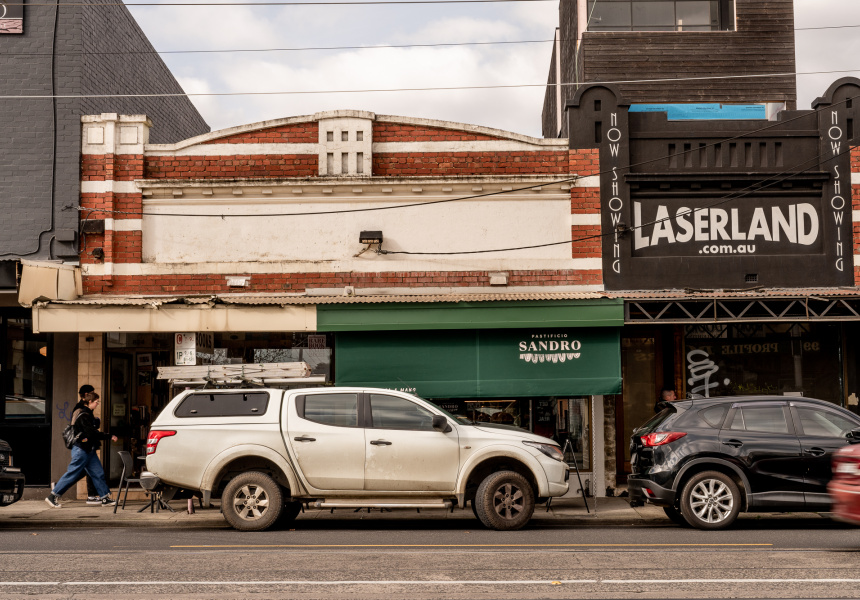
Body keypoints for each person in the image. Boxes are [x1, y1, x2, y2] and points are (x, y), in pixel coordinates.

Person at [45, 387, 118, 508]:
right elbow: (91, 433)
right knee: (73, 473)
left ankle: (105, 497)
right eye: (96, 402)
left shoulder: (88, 414)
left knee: (98, 472)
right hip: (81, 449)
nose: (97, 404)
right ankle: (53, 496)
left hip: (89, 449)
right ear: (90, 402)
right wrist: (109, 436)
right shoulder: (83, 415)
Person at [75, 385, 103, 506]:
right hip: (84, 445)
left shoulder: (86, 409)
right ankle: (57, 489)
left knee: (85, 471)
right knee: (87, 470)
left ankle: (93, 495)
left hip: (87, 445)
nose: (97, 403)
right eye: (92, 393)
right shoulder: (81, 409)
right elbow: (85, 428)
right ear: (87, 395)